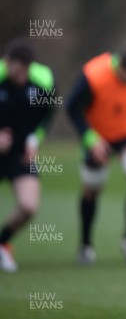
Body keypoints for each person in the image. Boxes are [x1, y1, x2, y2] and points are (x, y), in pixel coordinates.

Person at [67, 46, 126, 265]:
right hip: (99, 136)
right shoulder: (94, 74)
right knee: (92, 190)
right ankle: (85, 244)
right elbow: (72, 108)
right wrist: (89, 139)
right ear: (118, 66)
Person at [0, 38, 56, 272]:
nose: (18, 72)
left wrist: (35, 139)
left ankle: (2, 243)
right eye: (14, 66)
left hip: (21, 153)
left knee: (29, 206)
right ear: (7, 63)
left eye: (24, 68)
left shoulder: (42, 83)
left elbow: (47, 115)